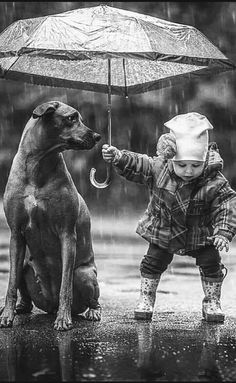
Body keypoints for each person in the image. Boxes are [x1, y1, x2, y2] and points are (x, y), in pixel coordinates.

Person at [102, 112, 236, 323]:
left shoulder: (214, 180)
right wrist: (119, 157)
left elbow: (227, 204)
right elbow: (138, 163)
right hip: (164, 230)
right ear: (172, 158)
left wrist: (223, 231)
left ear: (204, 161)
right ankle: (146, 297)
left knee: (211, 262)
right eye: (182, 165)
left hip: (199, 233)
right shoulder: (159, 167)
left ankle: (212, 301)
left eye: (195, 165)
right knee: (152, 263)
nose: (189, 171)